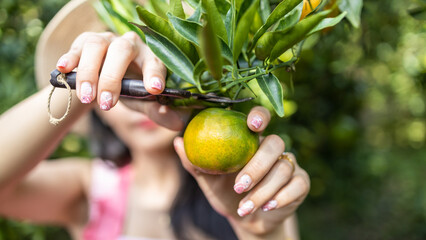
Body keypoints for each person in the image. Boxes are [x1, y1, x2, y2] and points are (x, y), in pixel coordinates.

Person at [0, 1, 310, 239]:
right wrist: (82, 81)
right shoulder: (89, 189)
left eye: (168, 72)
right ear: (96, 107)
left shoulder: (253, 192)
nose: (150, 91)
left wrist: (260, 232)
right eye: (123, 80)